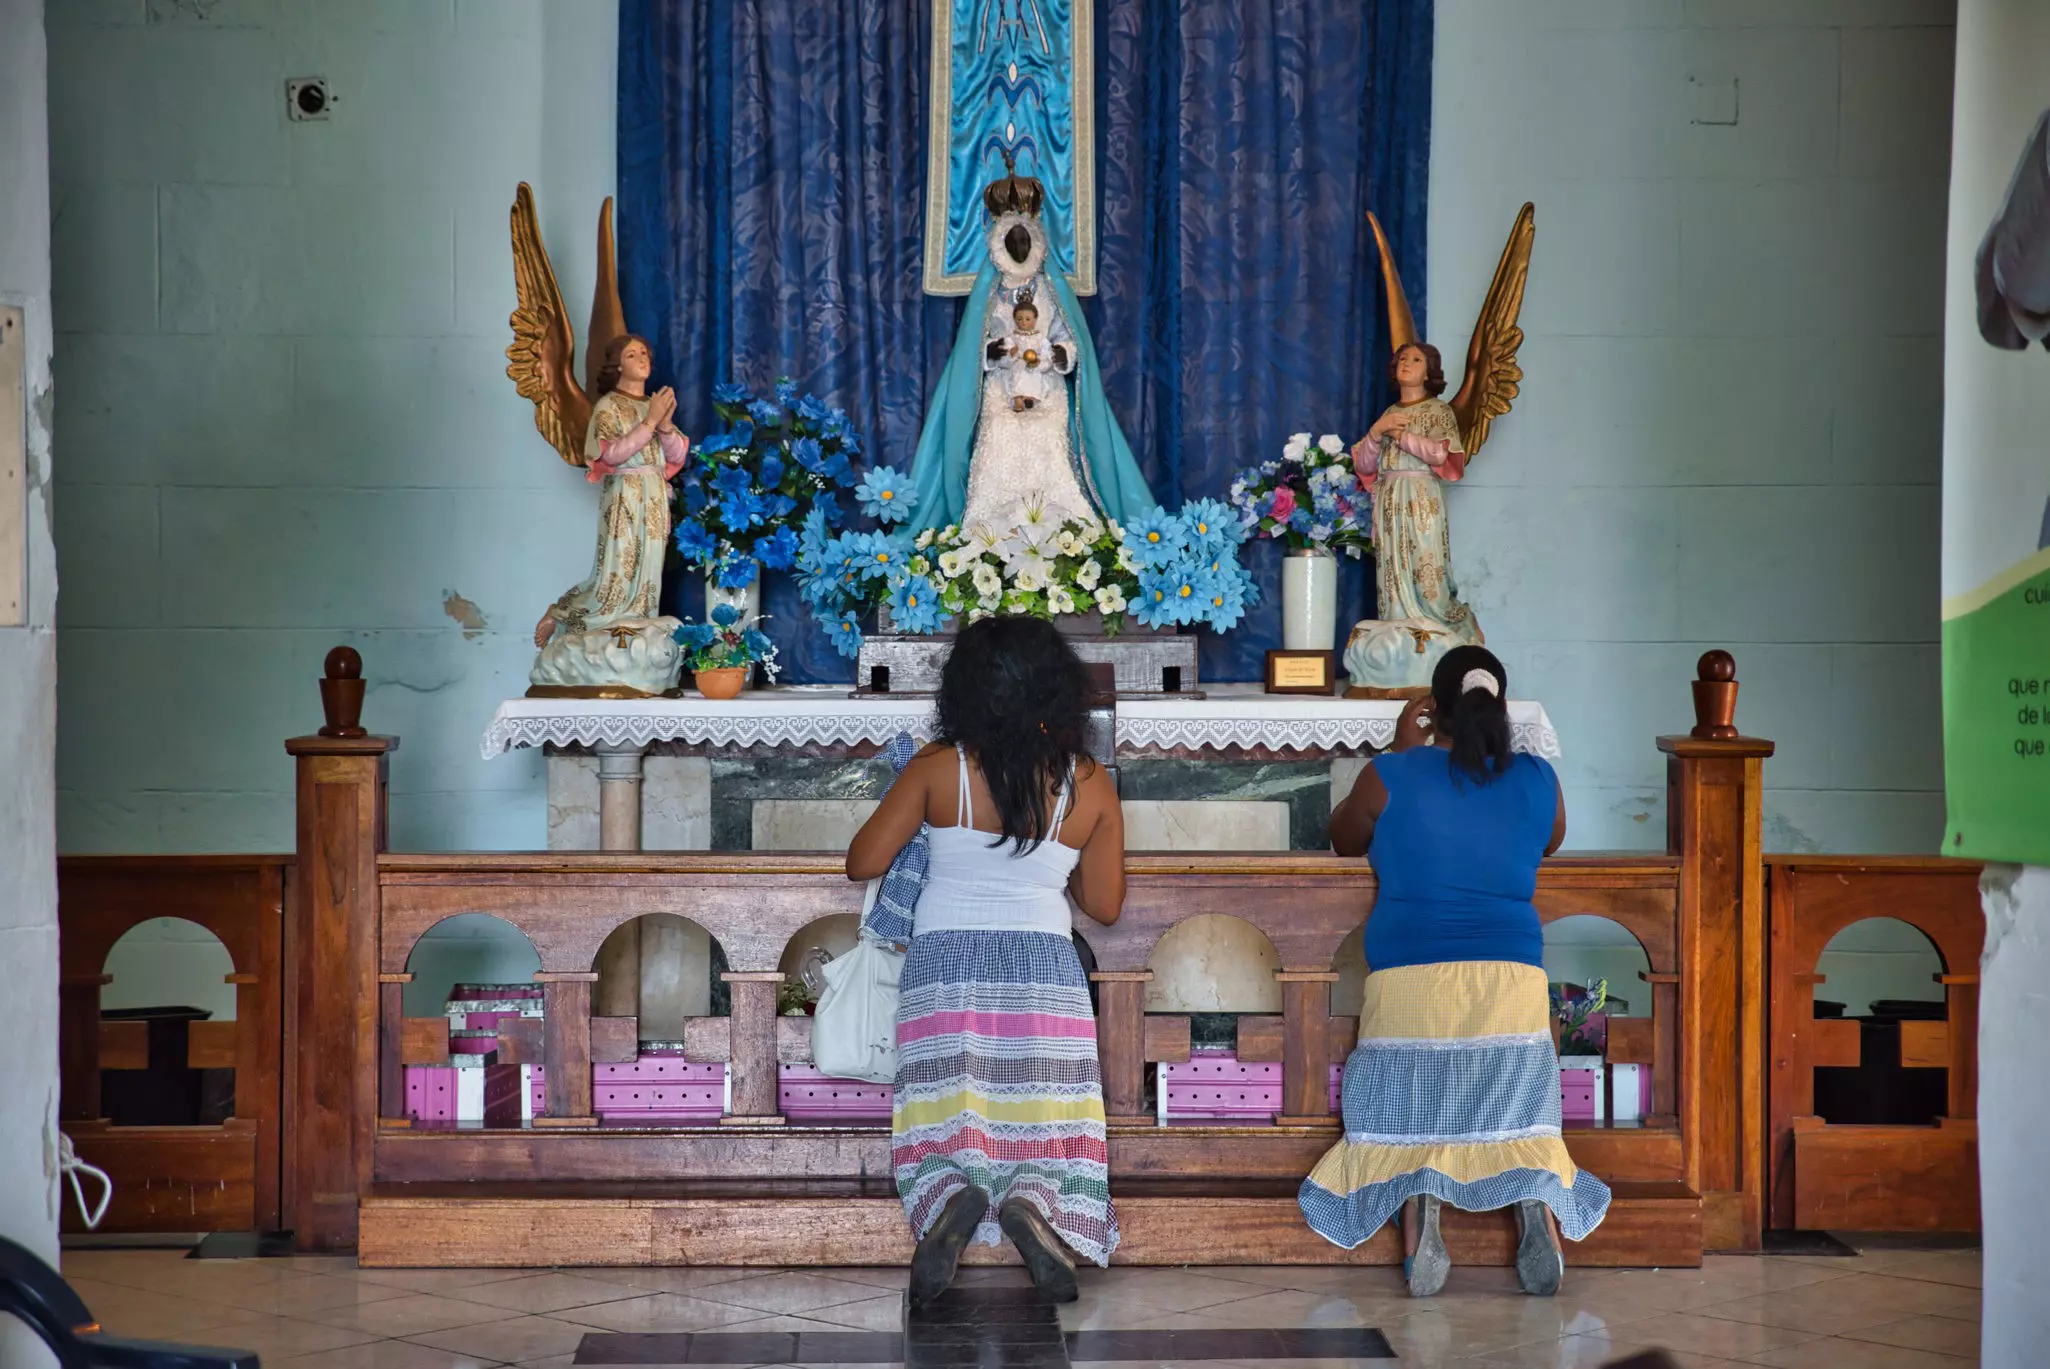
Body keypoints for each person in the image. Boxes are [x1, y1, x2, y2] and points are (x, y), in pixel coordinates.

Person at [1298, 645, 1609, 1297]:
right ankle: (1537, 1212)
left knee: (1412, 1103)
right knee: (1523, 1107)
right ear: (1500, 708)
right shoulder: (1536, 779)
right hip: (1511, 981)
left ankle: (1421, 1225)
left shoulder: (1391, 775)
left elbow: (1342, 837)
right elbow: (1549, 839)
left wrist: (1402, 749)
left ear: (1432, 708)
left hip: (1410, 980)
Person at [846, 615, 1125, 1307]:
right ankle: (1032, 1205)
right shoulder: (1087, 782)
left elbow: (863, 861)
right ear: (1057, 690)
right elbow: (1105, 904)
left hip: (947, 960)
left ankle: (949, 1197)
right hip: (1044, 966)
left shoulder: (940, 767)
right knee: (1043, 1106)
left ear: (965, 687)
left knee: (948, 1100)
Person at [532, 334, 687, 647]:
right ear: (617, 365)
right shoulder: (608, 406)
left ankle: (637, 630)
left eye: (645, 353)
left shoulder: (651, 405)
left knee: (649, 569)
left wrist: (665, 425)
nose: (642, 359)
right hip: (625, 495)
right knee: (616, 573)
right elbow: (611, 454)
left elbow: (677, 456)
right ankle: (564, 613)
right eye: (632, 355)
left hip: (655, 497)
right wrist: (651, 422)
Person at [995, 298, 1058, 413]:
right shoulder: (1012, 337)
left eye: (1028, 319)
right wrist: (1011, 354)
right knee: (1018, 373)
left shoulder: (1040, 338)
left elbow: (1047, 353)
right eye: (1019, 319)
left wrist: (1039, 362)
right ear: (1015, 320)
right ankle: (1018, 400)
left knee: (1034, 375)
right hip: (1019, 363)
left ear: (1035, 319)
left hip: (1034, 364)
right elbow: (1005, 353)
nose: (1023, 322)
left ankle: (1030, 398)